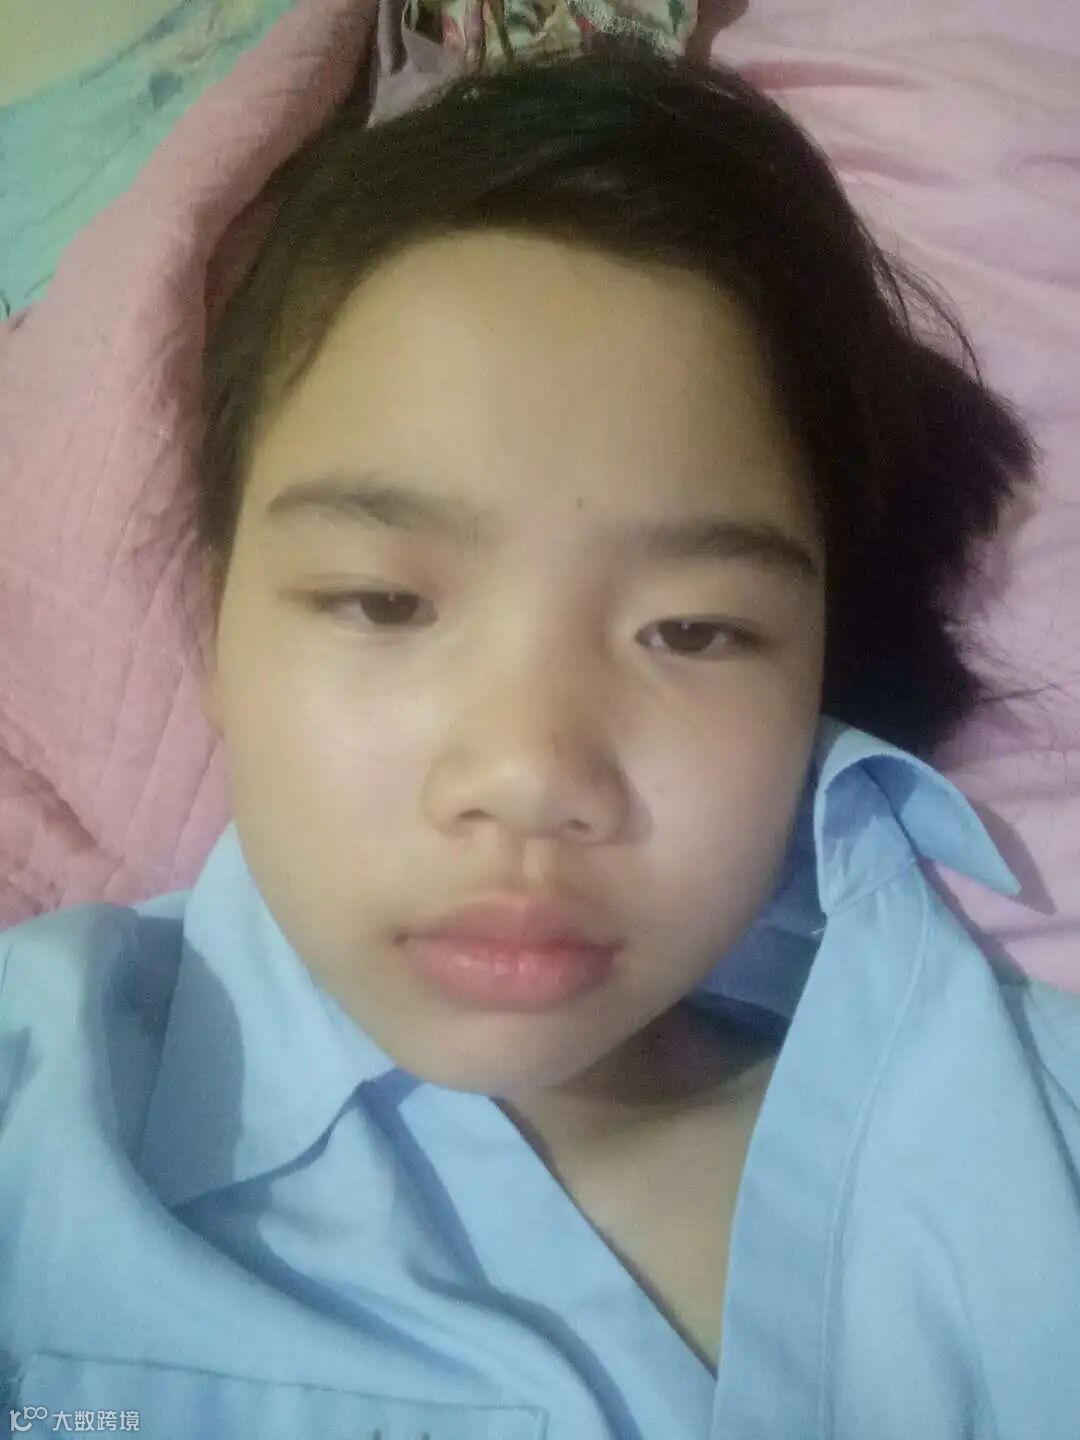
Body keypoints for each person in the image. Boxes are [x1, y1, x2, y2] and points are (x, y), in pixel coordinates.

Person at [2, 45, 1078, 1439]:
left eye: (693, 631)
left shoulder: (1037, 1130)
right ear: (212, 630)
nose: (529, 776)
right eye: (383, 603)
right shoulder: (37, 1111)